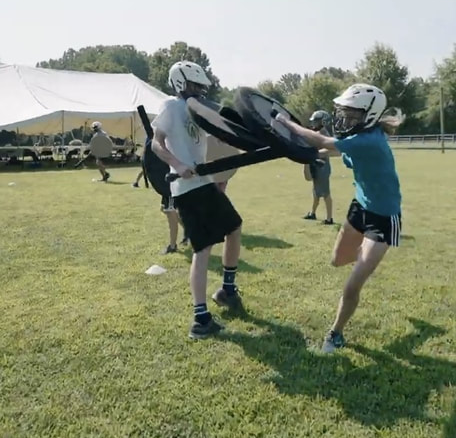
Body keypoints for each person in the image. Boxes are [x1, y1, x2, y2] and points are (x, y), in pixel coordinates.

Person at [273, 83, 402, 353]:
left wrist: (286, 123)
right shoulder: (360, 136)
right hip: (360, 208)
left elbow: (324, 142)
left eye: (352, 114)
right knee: (337, 260)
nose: (345, 118)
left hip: (383, 217)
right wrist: (299, 152)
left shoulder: (368, 140)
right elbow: (330, 150)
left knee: (352, 286)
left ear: (368, 115)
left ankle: (335, 334)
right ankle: (367, 258)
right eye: (345, 112)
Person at [151, 60, 246, 339]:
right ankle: (200, 319)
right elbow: (156, 143)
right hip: (186, 188)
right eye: (194, 85)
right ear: (181, 83)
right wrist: (178, 164)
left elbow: (216, 138)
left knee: (234, 227)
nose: (199, 90)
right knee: (203, 249)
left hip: (205, 182)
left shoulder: (198, 110)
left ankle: (227, 290)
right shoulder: (171, 107)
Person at [302, 109, 334, 225]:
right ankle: (312, 213)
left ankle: (329, 218)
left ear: (323, 122)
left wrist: (315, 153)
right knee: (316, 192)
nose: (314, 123)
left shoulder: (324, 134)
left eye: (316, 121)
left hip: (322, 166)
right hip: (316, 165)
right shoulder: (318, 132)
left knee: (325, 193)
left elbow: (329, 149)